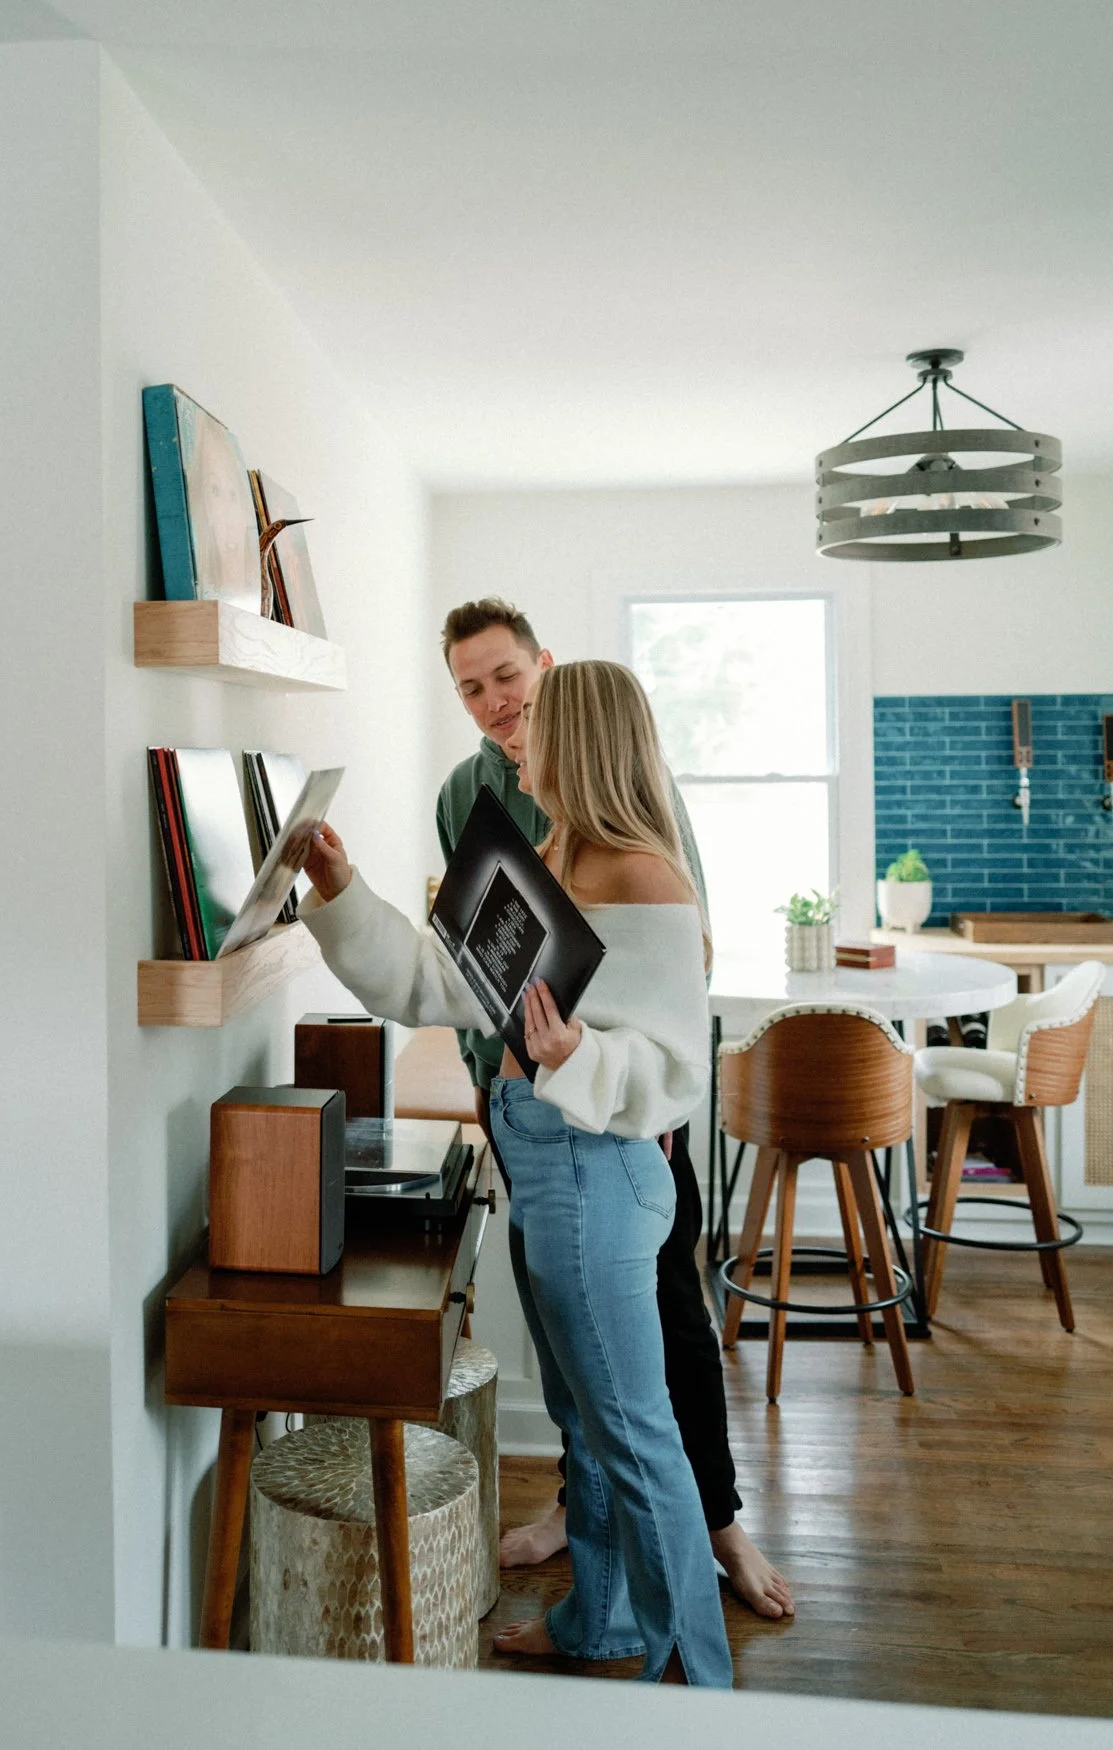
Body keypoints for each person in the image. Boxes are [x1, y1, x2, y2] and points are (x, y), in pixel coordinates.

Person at [300, 660, 733, 1683]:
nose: (513, 735)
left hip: (593, 1175)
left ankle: (694, 1677)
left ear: (580, 739)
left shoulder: (640, 875)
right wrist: (335, 884)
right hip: (542, 1161)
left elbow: (672, 1072)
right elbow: (423, 980)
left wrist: (572, 1055)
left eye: (533, 717)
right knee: (587, 1429)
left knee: (633, 1435)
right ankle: (602, 1624)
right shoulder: (544, 856)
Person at [437, 598, 793, 1622]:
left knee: (668, 1326)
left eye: (507, 677)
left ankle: (717, 1518)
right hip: (527, 1105)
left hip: (628, 1107)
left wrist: (635, 1086)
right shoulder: (464, 793)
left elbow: (683, 946)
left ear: (541, 668)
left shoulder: (614, 780)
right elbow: (473, 954)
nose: (495, 703)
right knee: (566, 1331)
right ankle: (575, 1507)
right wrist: (492, 1074)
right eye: (470, 688)